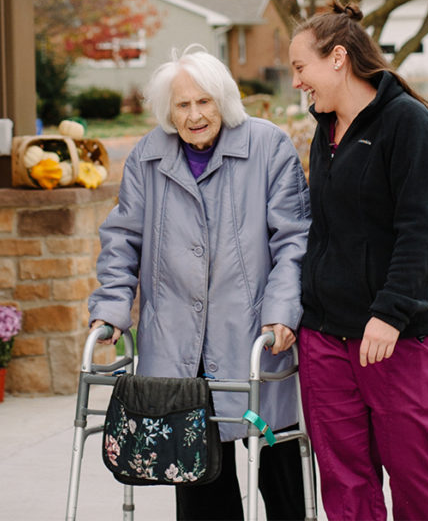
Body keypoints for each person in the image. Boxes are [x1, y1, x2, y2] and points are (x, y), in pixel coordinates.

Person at [88, 44, 311, 520]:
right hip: (177, 349)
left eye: (204, 101)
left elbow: (293, 240)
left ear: (223, 100)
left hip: (253, 339)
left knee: (277, 465)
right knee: (198, 480)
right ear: (168, 111)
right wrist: (110, 308)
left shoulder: (267, 146)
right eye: (182, 105)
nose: (194, 115)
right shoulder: (148, 156)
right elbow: (122, 238)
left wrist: (282, 311)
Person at [289, 0, 428, 521]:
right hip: (326, 336)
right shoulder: (327, 130)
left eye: (302, 67)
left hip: (399, 337)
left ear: (337, 58)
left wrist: (389, 313)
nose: (297, 82)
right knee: (344, 480)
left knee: (415, 474)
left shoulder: (407, 124)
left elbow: (419, 232)